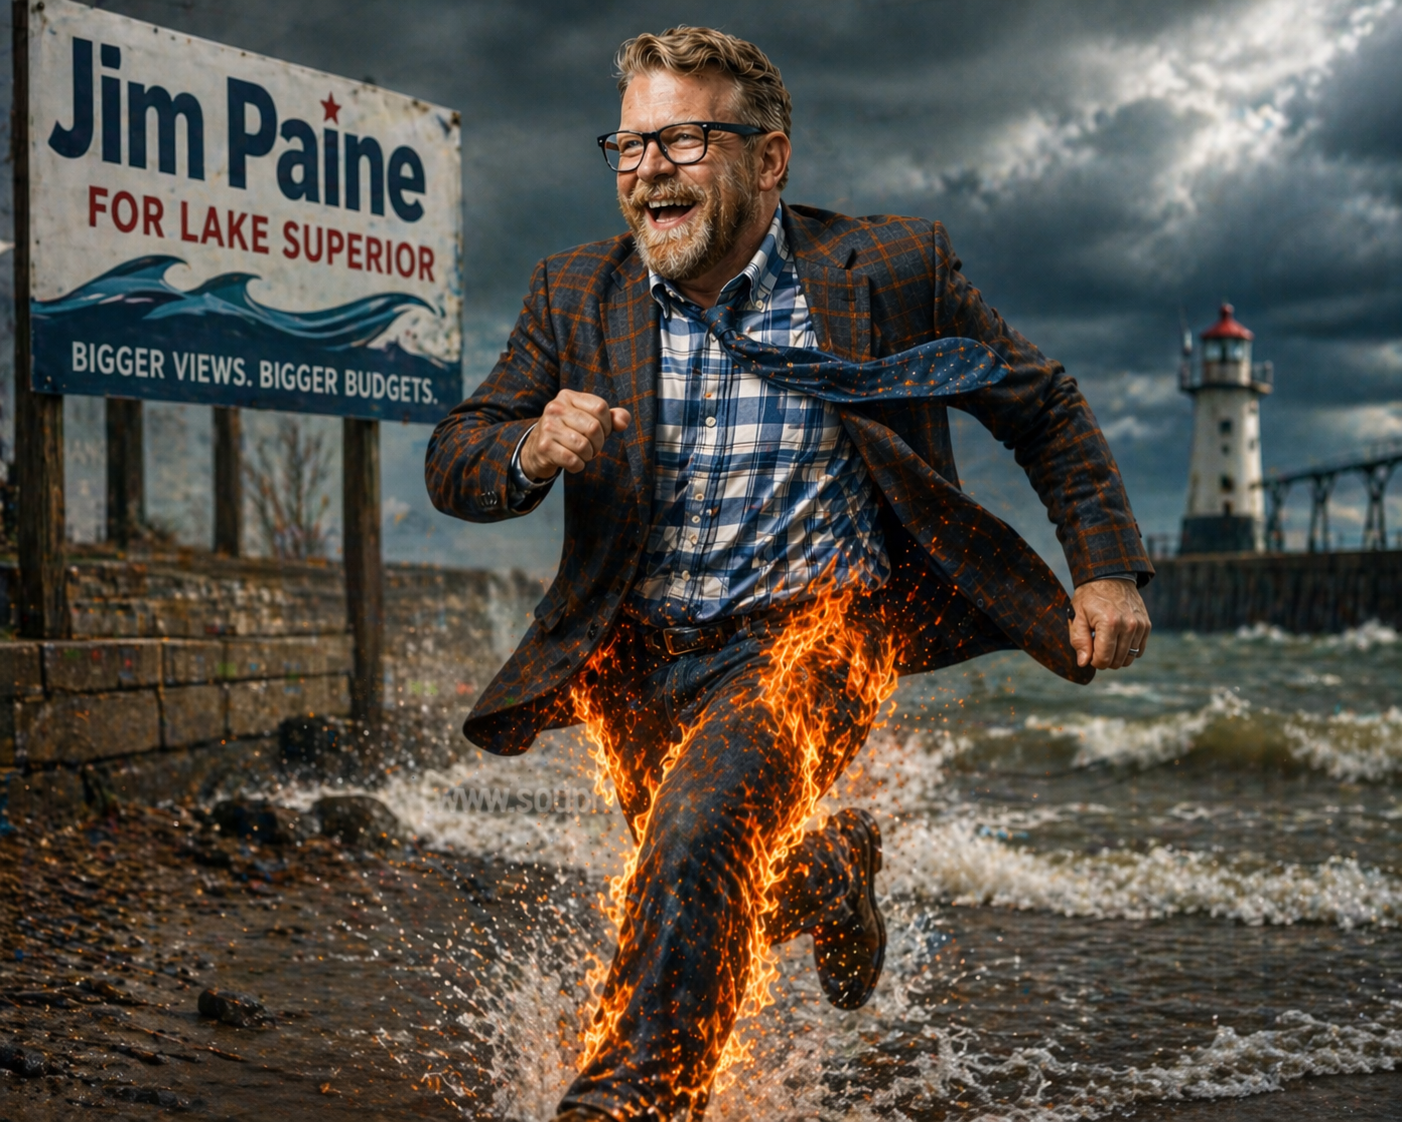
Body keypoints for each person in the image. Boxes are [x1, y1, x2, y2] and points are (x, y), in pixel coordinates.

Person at [425, 25, 1152, 1122]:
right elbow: (456, 454)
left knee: (696, 842)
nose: (646, 172)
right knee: (705, 891)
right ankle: (828, 869)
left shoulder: (890, 268)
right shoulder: (575, 291)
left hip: (816, 635)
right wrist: (528, 447)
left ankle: (630, 1101)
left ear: (768, 159)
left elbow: (1039, 403)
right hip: (634, 659)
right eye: (626, 147)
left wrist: (1104, 573)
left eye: (680, 141)